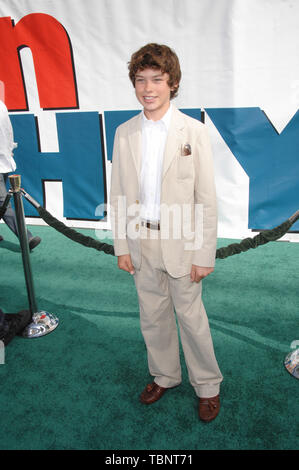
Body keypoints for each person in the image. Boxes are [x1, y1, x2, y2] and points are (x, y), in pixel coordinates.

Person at [110, 43, 223, 422]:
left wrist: (203, 252)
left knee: (192, 319)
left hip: (183, 242)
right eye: (140, 80)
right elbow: (120, 193)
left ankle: (207, 385)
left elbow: (206, 197)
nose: (148, 88)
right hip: (142, 242)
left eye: (157, 79)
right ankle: (165, 375)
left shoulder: (193, 131)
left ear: (172, 83)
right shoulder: (124, 133)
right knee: (152, 316)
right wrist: (122, 245)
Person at [0, 99, 41, 250]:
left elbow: (7, 130)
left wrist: (9, 148)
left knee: (2, 202)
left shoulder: (1, 106)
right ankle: (26, 237)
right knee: (3, 201)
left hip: (3, 161)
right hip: (4, 159)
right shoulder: (1, 105)